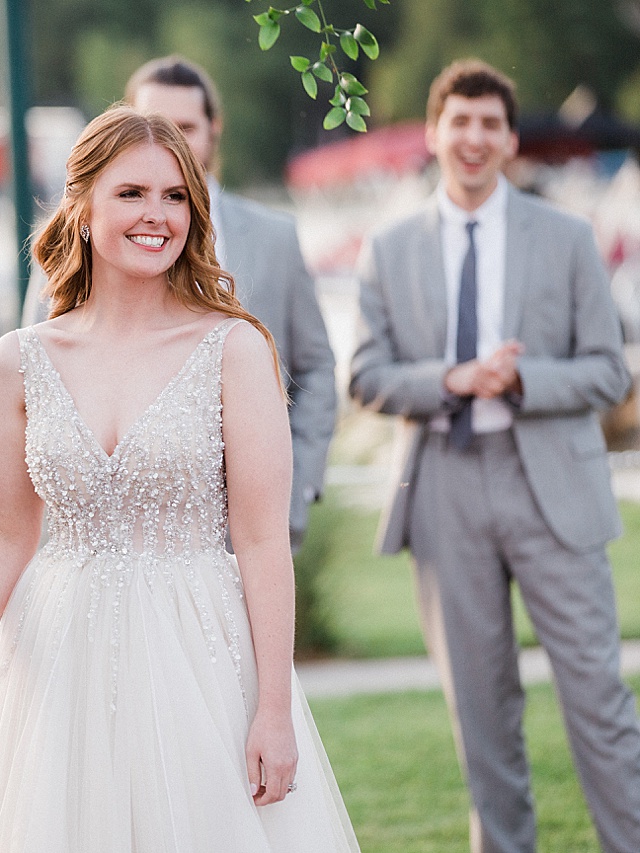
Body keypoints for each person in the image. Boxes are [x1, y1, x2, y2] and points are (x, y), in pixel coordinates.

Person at [0, 106, 358, 850]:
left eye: (175, 196)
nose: (155, 215)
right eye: (131, 193)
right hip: (58, 660)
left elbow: (263, 542)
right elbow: (5, 535)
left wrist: (273, 708)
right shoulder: (19, 358)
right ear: (83, 207)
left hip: (197, 651)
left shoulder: (234, 348)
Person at [349, 59, 640, 853]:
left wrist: (522, 379)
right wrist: (451, 378)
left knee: (598, 699)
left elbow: (612, 369)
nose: (474, 138)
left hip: (553, 483)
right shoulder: (388, 246)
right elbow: (365, 376)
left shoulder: (570, 236)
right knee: (480, 712)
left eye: (490, 124)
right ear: (436, 133)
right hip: (444, 487)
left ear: (509, 139)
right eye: (459, 121)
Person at [24, 56, 336, 549]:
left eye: (185, 127)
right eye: (155, 123)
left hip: (256, 522)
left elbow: (316, 366)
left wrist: (299, 484)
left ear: (213, 131)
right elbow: (39, 388)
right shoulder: (75, 249)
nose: (168, 140)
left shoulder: (275, 237)